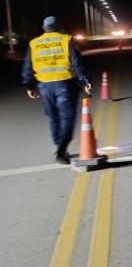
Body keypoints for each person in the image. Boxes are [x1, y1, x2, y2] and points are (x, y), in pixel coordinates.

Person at [21, 16, 93, 164]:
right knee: (67, 118)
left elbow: (28, 67)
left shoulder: (34, 44)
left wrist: (29, 86)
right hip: (64, 84)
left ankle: (59, 146)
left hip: (45, 86)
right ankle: (61, 150)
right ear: (59, 26)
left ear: (43, 28)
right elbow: (77, 63)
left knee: (53, 117)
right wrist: (86, 81)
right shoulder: (66, 40)